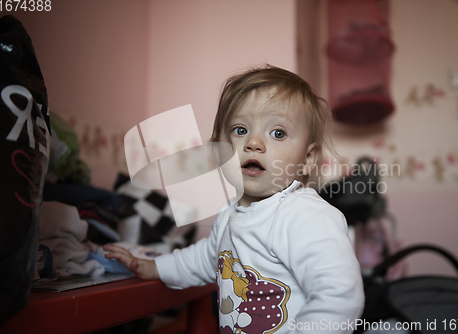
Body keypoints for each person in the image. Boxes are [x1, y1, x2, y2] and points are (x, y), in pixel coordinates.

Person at [104, 65, 364, 333]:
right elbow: (204, 258)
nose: (253, 142)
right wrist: (154, 267)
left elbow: (340, 296)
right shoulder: (230, 213)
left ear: (308, 158)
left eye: (278, 133)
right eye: (240, 130)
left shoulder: (305, 215)